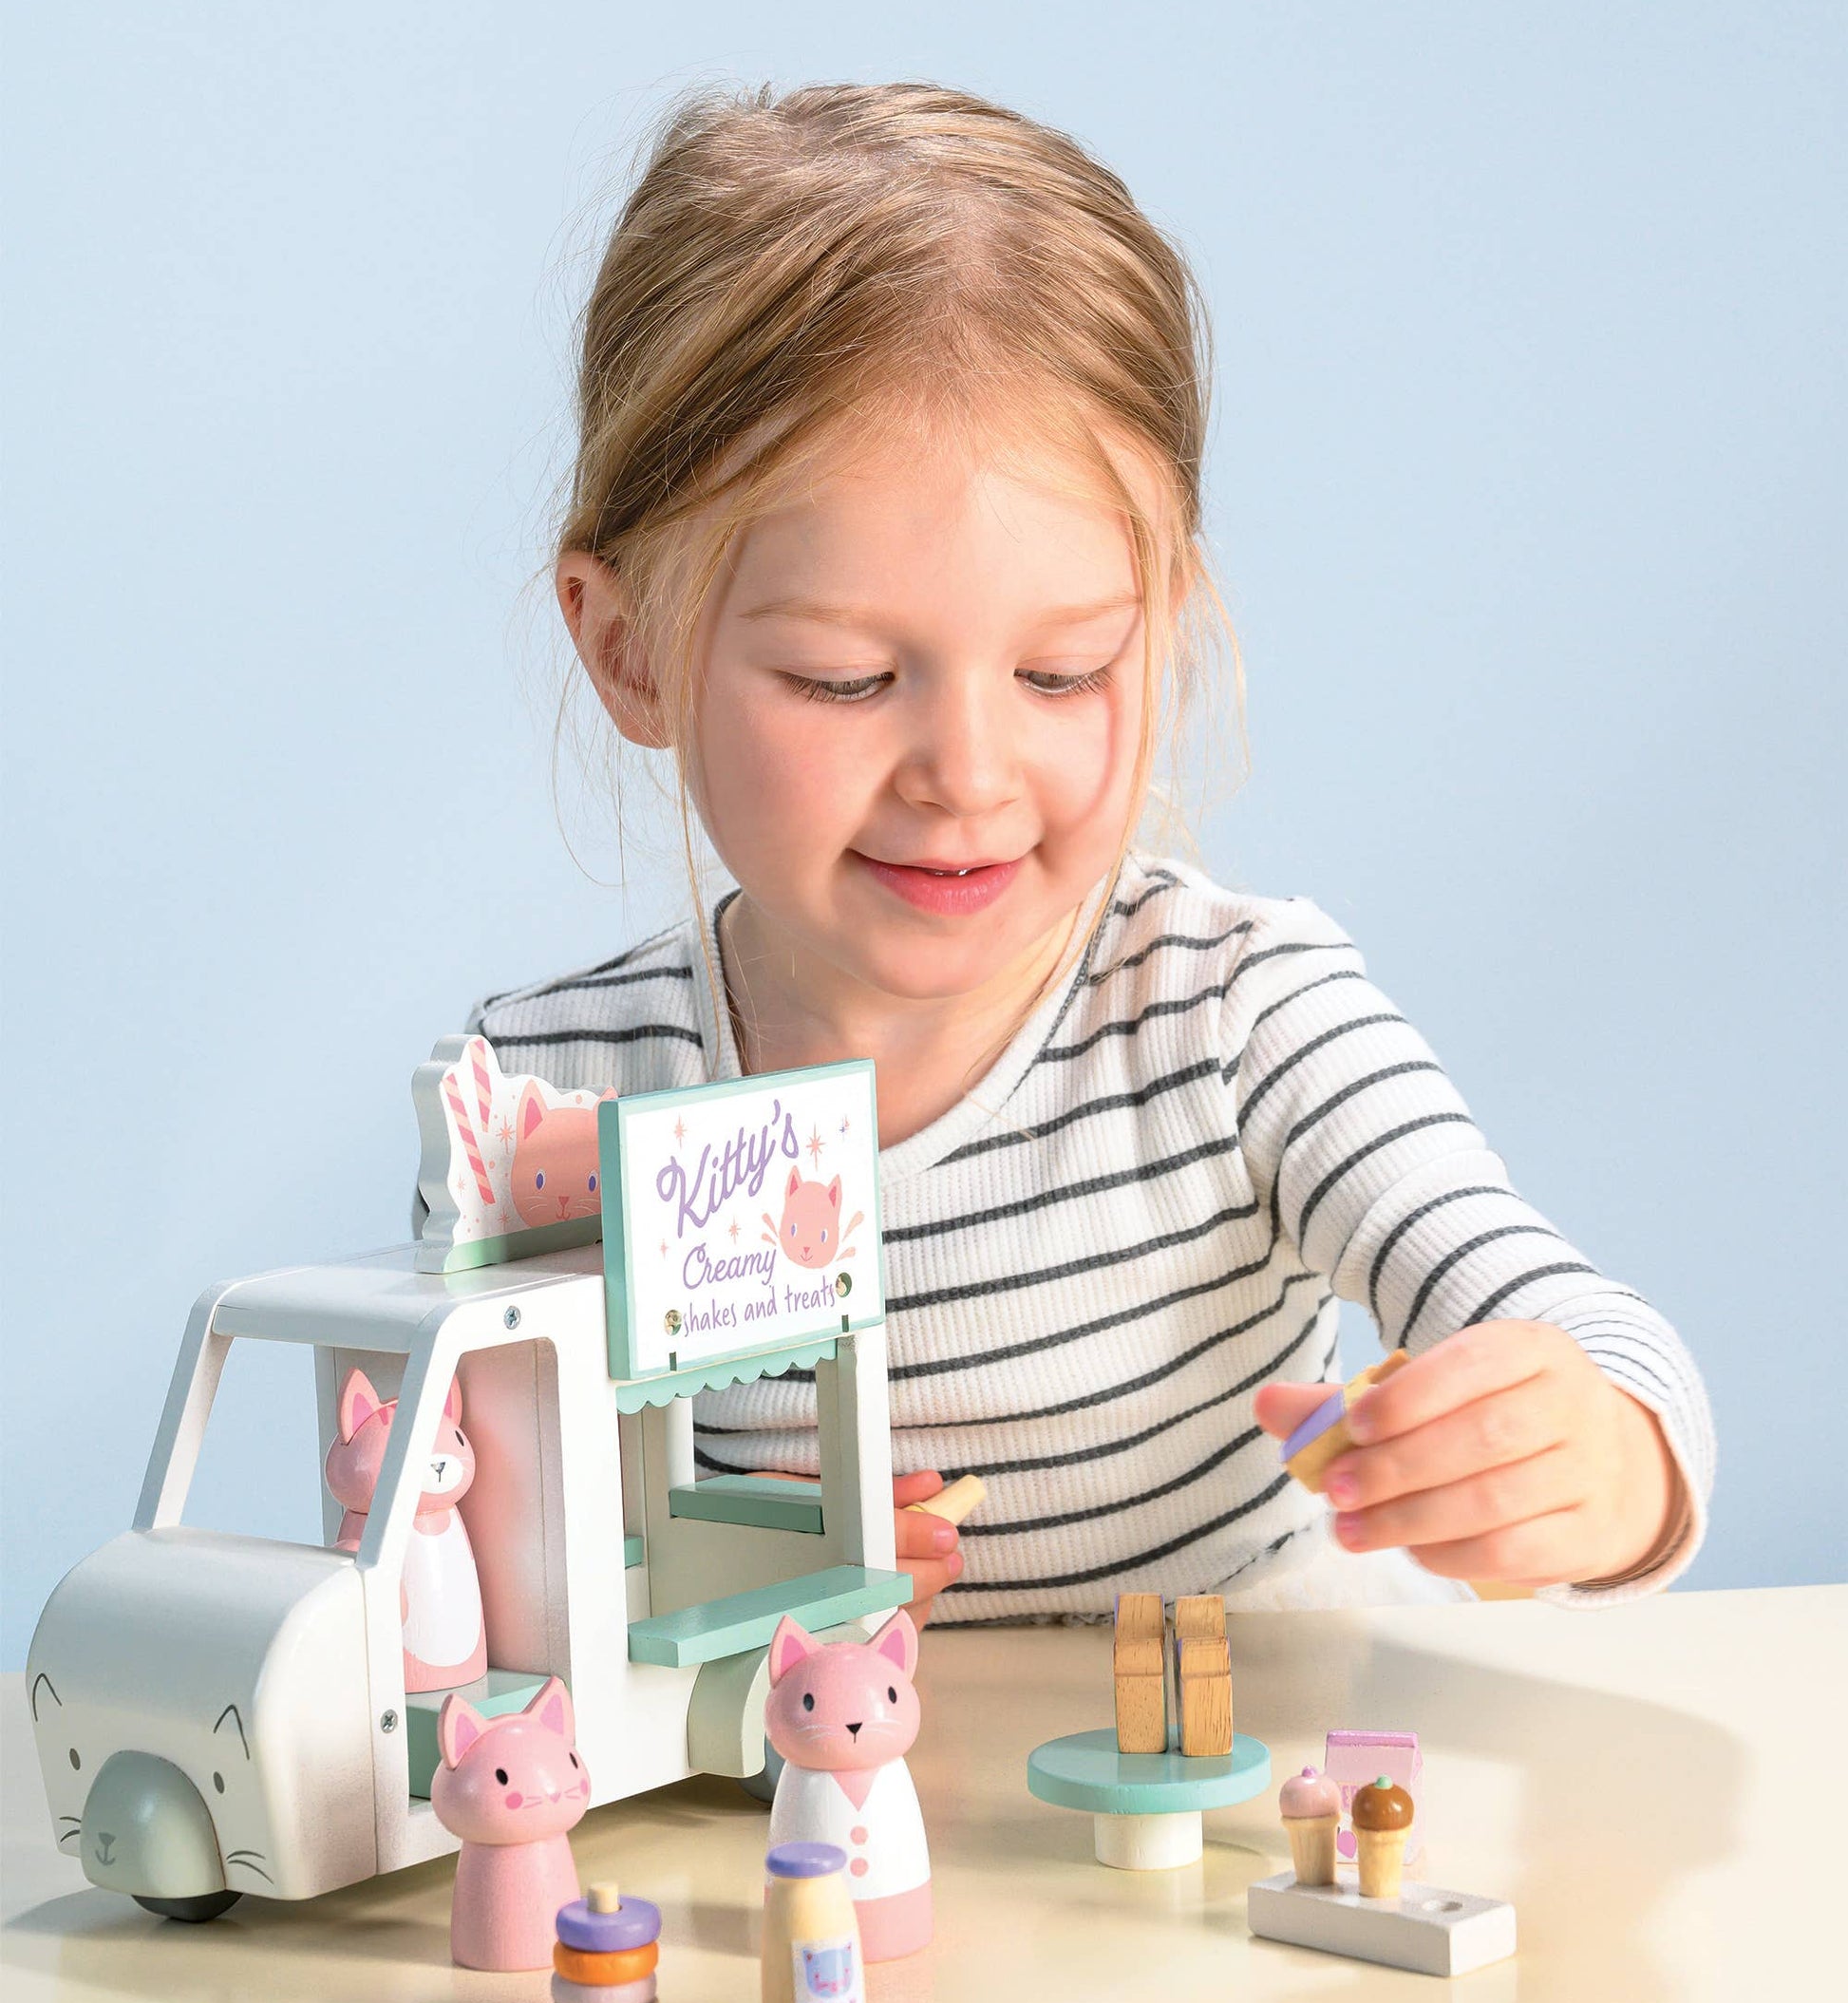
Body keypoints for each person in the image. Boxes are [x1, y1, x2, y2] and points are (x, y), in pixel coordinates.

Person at [469, 82, 1710, 1626]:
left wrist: (1601, 1456)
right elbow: (494, 1579)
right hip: (813, 1848)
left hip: (1224, 1814)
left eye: (1061, 673)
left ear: (1165, 625)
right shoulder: (544, 1106)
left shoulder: (1241, 1021)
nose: (968, 775)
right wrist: (713, 1584)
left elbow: (1577, 1329)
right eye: (846, 679)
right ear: (631, 650)